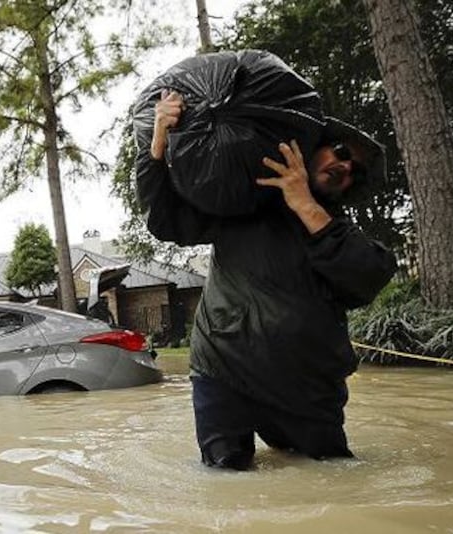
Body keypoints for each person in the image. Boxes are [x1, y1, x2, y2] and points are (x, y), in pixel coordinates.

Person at [137, 89, 397, 470]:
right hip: (223, 368)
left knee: (334, 474)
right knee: (228, 479)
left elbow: (368, 276)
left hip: (308, 388)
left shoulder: (338, 230)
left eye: (354, 170)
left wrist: (304, 203)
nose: (346, 166)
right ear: (313, 149)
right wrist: (159, 145)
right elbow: (165, 219)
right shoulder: (240, 201)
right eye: (341, 152)